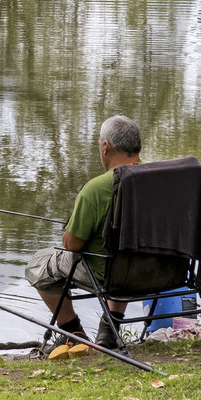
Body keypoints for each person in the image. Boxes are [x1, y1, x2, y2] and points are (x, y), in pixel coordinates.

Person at [24, 115, 142, 360]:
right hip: (158, 270)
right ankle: (110, 329)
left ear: (106, 146)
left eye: (100, 143)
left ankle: (72, 332)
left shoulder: (97, 188)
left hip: (108, 274)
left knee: (39, 264)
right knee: (127, 254)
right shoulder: (161, 178)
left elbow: (72, 244)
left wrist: (71, 230)